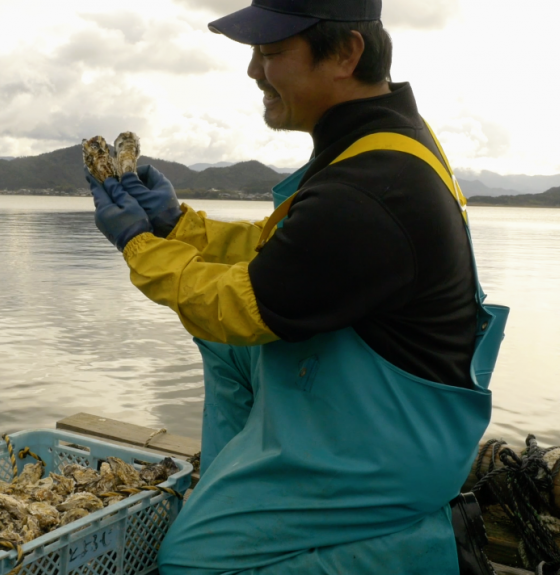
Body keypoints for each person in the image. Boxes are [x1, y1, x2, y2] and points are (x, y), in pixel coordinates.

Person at [85, 1, 509, 573]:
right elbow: (287, 259)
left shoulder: (374, 186)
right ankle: (235, 487)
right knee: (226, 350)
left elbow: (241, 305)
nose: (255, 71)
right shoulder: (376, 139)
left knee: (193, 565)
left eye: (272, 52)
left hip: (396, 445)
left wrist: (139, 245)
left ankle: (426, 549)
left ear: (346, 54)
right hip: (374, 397)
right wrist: (175, 226)